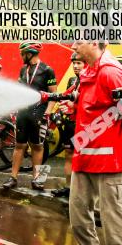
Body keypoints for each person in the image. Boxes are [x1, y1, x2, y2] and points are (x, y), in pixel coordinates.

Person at [42, 41, 122, 245]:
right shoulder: (88, 71)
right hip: (84, 154)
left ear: (97, 43)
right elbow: (90, 105)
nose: (74, 45)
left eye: (80, 40)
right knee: (78, 208)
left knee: (112, 214)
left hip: (110, 158)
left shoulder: (110, 71)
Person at [2, 42, 57, 191]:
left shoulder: (47, 70)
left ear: (30, 53)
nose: (21, 56)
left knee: (38, 146)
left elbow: (53, 94)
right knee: (19, 145)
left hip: (40, 112)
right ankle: (13, 178)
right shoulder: (23, 69)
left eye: (23, 53)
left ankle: (38, 179)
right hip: (24, 113)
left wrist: (48, 112)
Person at [50, 53, 85, 199]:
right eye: (74, 63)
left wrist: (73, 107)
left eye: (79, 63)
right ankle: (69, 188)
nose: (75, 66)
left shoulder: (90, 80)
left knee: (82, 157)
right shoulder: (74, 80)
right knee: (69, 155)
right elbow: (65, 95)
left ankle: (81, 192)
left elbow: (91, 104)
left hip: (83, 125)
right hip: (70, 124)